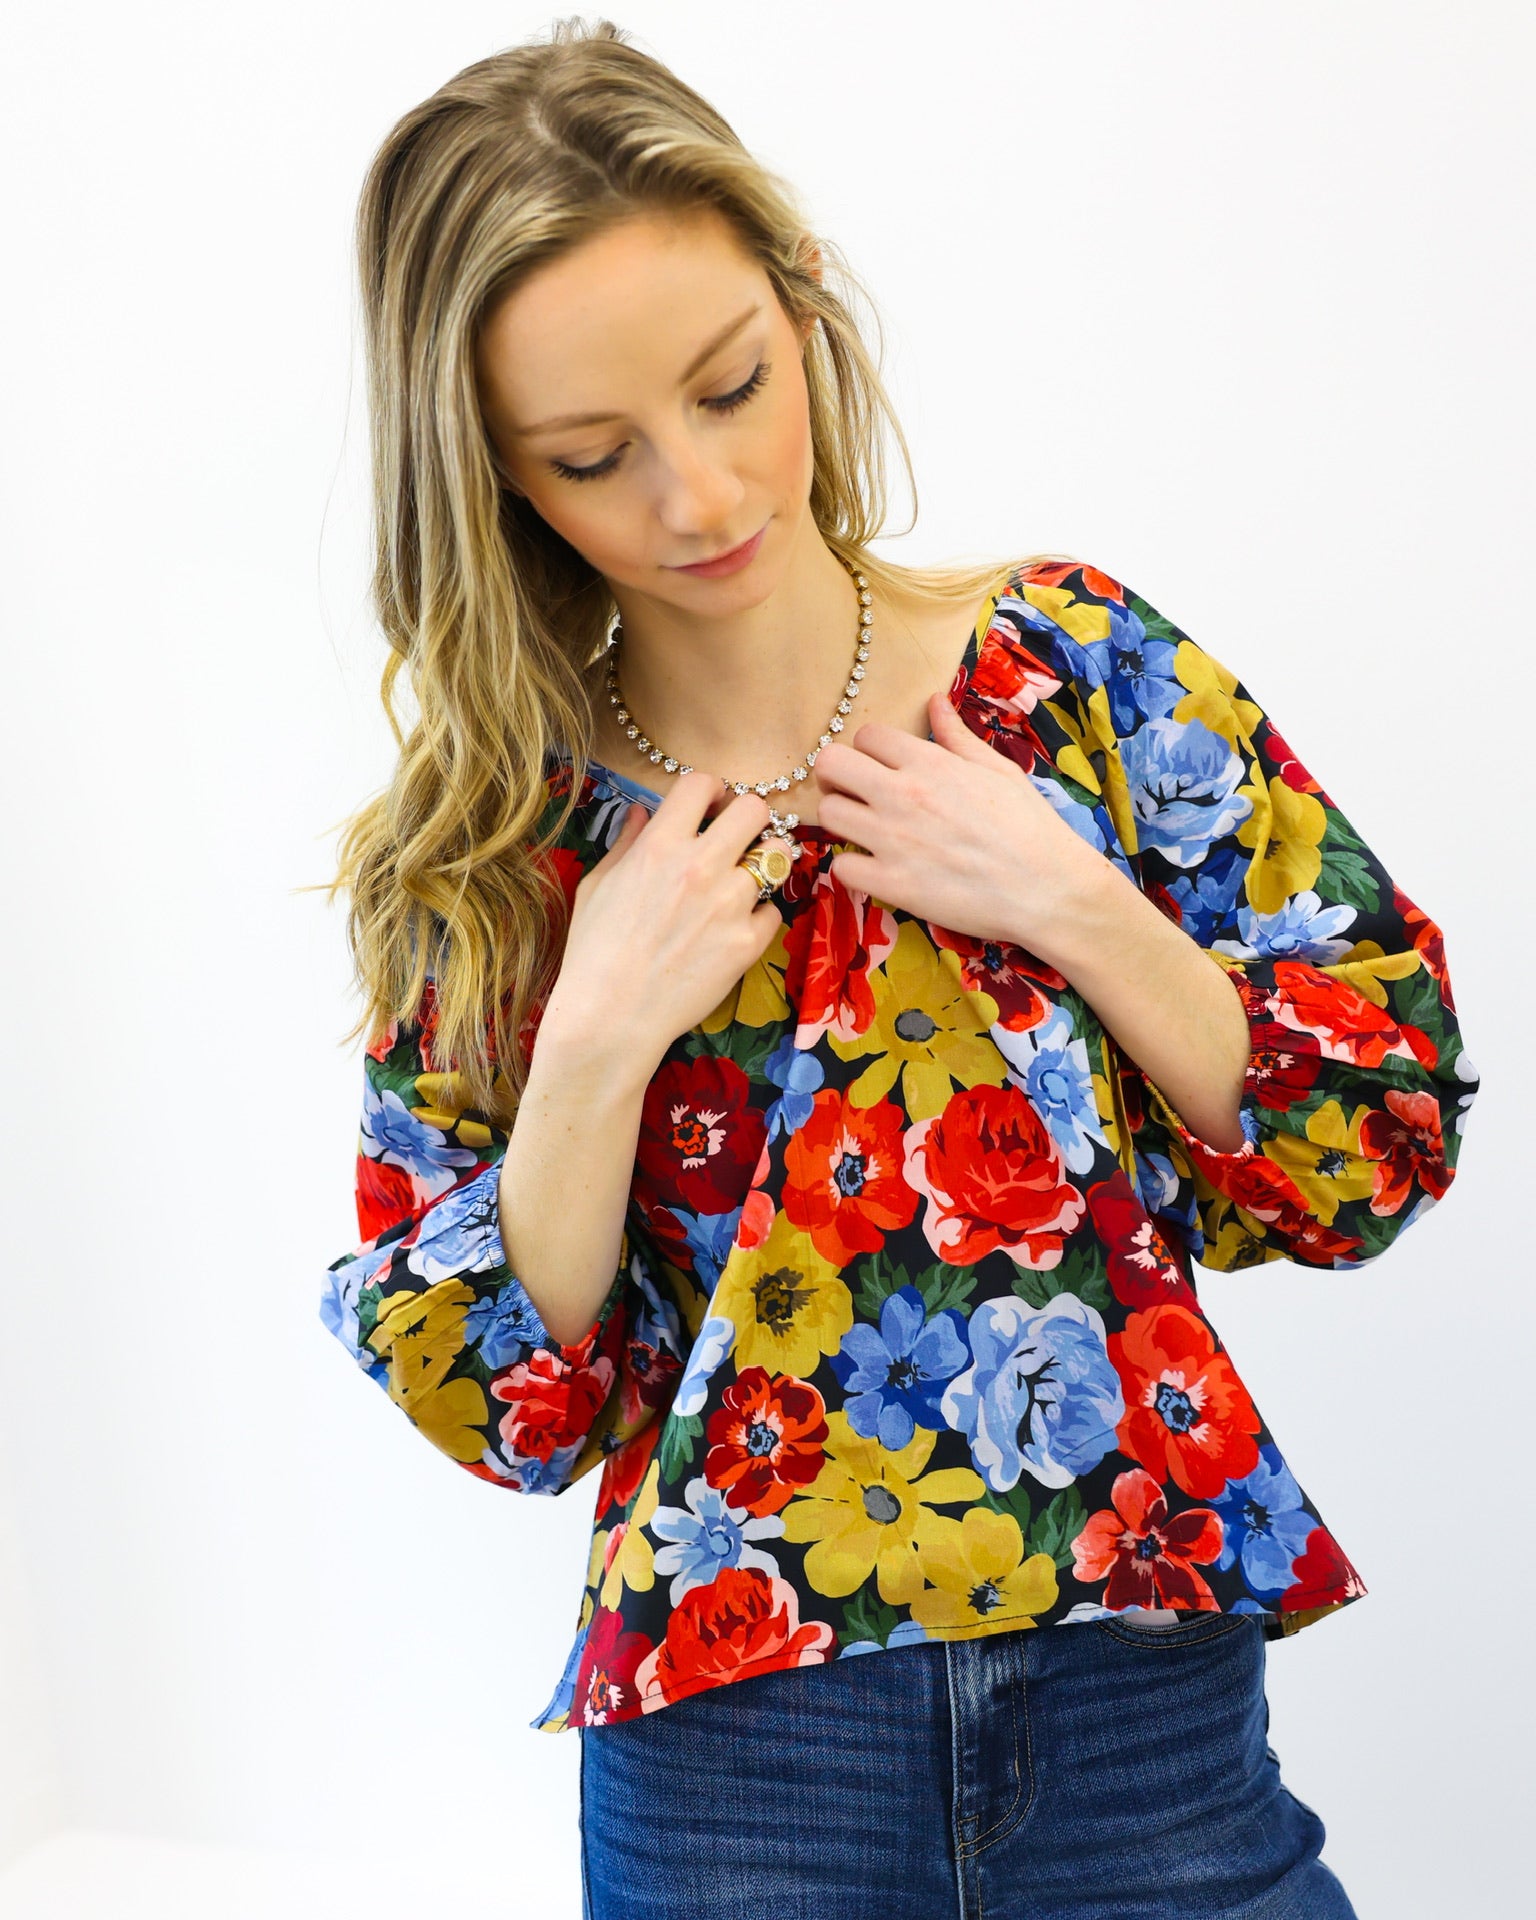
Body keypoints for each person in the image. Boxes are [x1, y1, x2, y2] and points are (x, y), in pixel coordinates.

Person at [318, 19, 1479, 1919]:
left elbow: (1379, 1137)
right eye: (595, 456)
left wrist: (1078, 902)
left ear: (806, 303)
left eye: (730, 387)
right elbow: (492, 1405)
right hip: (733, 1767)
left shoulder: (1077, 678)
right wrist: (600, 1032)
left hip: (1143, 1691)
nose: (696, 500)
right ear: (497, 479)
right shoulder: (496, 849)